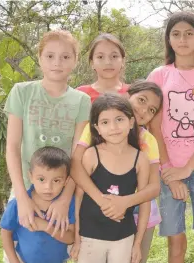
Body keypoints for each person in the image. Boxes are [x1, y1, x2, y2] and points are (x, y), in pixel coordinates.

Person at [147, 11, 194, 263]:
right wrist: (170, 172)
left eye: (189, 34)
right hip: (169, 169)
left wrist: (188, 168)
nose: (183, 39)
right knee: (176, 244)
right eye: (176, 34)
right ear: (169, 40)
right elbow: (154, 128)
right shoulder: (158, 75)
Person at [4, 30, 90, 238]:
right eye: (50, 56)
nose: (57, 63)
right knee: (21, 248)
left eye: (65, 57)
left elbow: (77, 155)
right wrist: (22, 197)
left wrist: (63, 200)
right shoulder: (21, 92)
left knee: (53, 251)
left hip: (61, 190)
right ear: (40, 58)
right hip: (25, 188)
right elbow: (12, 147)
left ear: (75, 61)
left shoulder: (82, 101)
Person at [71, 80, 164, 263]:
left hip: (137, 222)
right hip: (94, 221)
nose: (144, 110)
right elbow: (75, 166)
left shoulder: (148, 143)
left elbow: (154, 188)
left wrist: (124, 203)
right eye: (142, 100)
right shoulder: (98, 129)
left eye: (152, 110)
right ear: (127, 96)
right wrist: (103, 201)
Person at [0, 146, 75, 263]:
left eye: (56, 181)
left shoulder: (68, 205)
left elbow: (70, 238)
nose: (48, 187)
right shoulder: (18, 204)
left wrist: (46, 227)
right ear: (31, 176)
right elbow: (5, 233)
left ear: (66, 181)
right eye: (41, 179)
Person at [77, 33, 129, 101]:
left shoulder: (134, 94)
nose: (108, 62)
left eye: (114, 56)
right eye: (100, 57)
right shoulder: (80, 95)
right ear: (92, 63)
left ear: (123, 61)